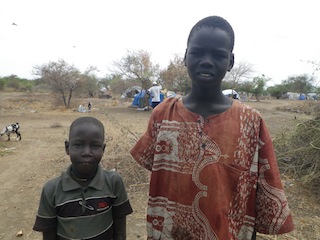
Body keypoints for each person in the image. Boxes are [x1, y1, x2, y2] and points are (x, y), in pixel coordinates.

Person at [130, 16, 294, 239]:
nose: (207, 61)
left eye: (218, 55)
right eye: (197, 52)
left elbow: (259, 191)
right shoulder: (162, 114)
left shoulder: (251, 121)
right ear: (185, 57)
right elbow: (158, 169)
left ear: (231, 62)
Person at [33, 116, 133, 240]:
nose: (86, 152)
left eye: (95, 146)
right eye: (78, 145)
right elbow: (48, 234)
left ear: (103, 149)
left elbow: (120, 230)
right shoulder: (51, 190)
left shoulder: (114, 182)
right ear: (67, 148)